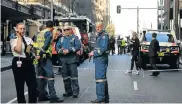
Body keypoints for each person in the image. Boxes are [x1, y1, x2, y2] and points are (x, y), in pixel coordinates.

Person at [34, 21, 64, 103]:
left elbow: (35, 45)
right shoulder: (48, 33)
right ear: (52, 27)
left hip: (38, 58)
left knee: (41, 77)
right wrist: (40, 54)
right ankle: (53, 97)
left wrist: (36, 56)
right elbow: (46, 45)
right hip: (45, 57)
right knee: (50, 77)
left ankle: (41, 96)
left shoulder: (38, 34)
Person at [10, 23, 37, 103]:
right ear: (17, 30)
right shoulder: (13, 40)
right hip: (18, 63)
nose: (22, 30)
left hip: (29, 63)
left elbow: (34, 50)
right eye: (20, 29)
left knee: (33, 86)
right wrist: (19, 37)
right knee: (20, 86)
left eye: (24, 29)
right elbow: (18, 50)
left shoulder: (29, 39)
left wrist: (35, 55)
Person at [56, 25, 81, 98]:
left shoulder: (74, 38)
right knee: (65, 77)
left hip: (72, 61)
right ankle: (68, 91)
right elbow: (57, 47)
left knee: (74, 77)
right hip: (64, 61)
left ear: (70, 30)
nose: (66, 31)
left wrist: (69, 50)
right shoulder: (61, 39)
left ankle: (75, 92)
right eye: (64, 30)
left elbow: (78, 46)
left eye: (67, 29)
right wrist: (61, 51)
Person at [89, 22, 110, 103]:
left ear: (102, 26)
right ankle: (105, 97)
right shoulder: (100, 35)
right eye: (96, 27)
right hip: (99, 59)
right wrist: (92, 52)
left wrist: (93, 53)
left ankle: (100, 97)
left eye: (99, 27)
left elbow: (103, 48)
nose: (97, 28)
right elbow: (98, 47)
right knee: (103, 79)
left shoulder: (104, 36)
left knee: (100, 78)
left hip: (101, 59)